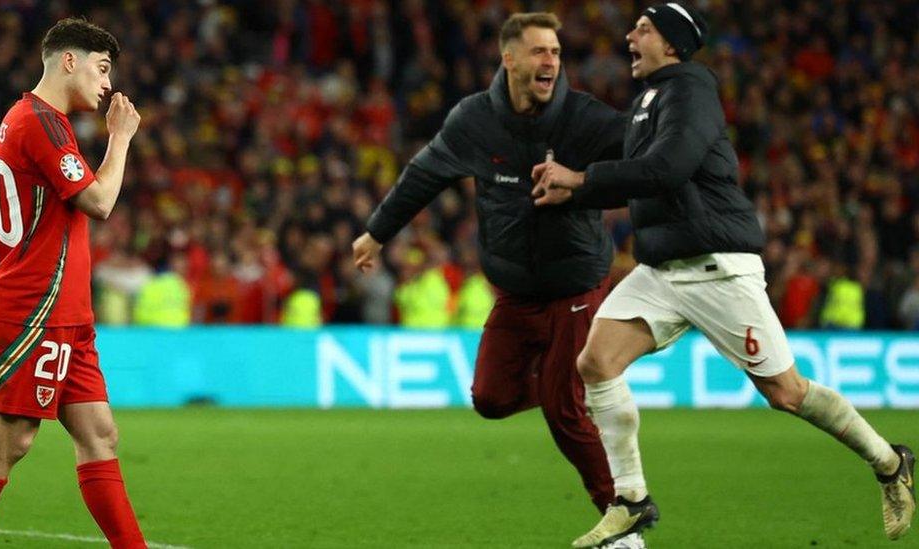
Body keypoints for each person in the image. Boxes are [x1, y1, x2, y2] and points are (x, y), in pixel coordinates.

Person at [531, 4, 915, 547]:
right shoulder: (647, 99)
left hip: (717, 266)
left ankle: (888, 461)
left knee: (785, 392)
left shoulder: (691, 89)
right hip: (663, 269)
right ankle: (631, 501)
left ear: (671, 43)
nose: (629, 36)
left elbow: (668, 168)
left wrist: (580, 177)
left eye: (642, 29)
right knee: (595, 361)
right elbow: (639, 182)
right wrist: (571, 191)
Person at [351, 12, 645, 548]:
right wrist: (377, 232)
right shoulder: (474, 121)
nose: (551, 61)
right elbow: (425, 173)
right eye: (539, 51)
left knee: (563, 411)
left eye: (555, 52)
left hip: (576, 285)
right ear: (508, 59)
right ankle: (574, 383)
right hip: (515, 291)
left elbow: (648, 171)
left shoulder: (585, 119)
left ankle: (622, 525)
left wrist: (581, 185)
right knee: (489, 398)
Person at [0, 18, 145, 548]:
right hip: (36, 309)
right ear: (69, 61)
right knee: (9, 442)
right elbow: (100, 203)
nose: (107, 84)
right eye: (103, 69)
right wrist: (121, 138)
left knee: (100, 434)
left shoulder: (35, 119)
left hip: (68, 314)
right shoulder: (39, 121)